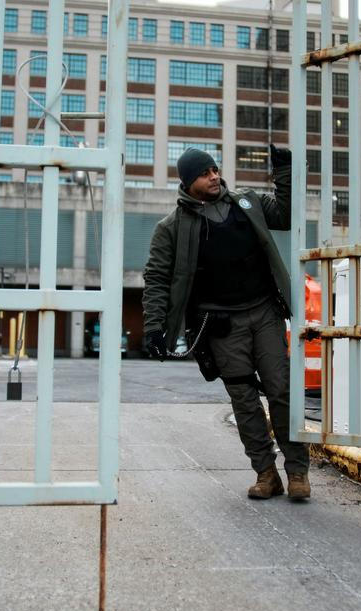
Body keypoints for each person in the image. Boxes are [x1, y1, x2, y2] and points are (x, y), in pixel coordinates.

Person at [142, 145, 311, 501]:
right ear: (189, 183)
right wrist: (154, 327)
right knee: (244, 398)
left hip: (264, 311)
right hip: (220, 325)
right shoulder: (170, 228)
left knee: (281, 389)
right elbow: (157, 278)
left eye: (215, 169)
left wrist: (284, 171)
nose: (215, 176)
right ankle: (266, 473)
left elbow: (287, 213)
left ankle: (297, 471)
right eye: (205, 173)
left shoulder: (247, 203)